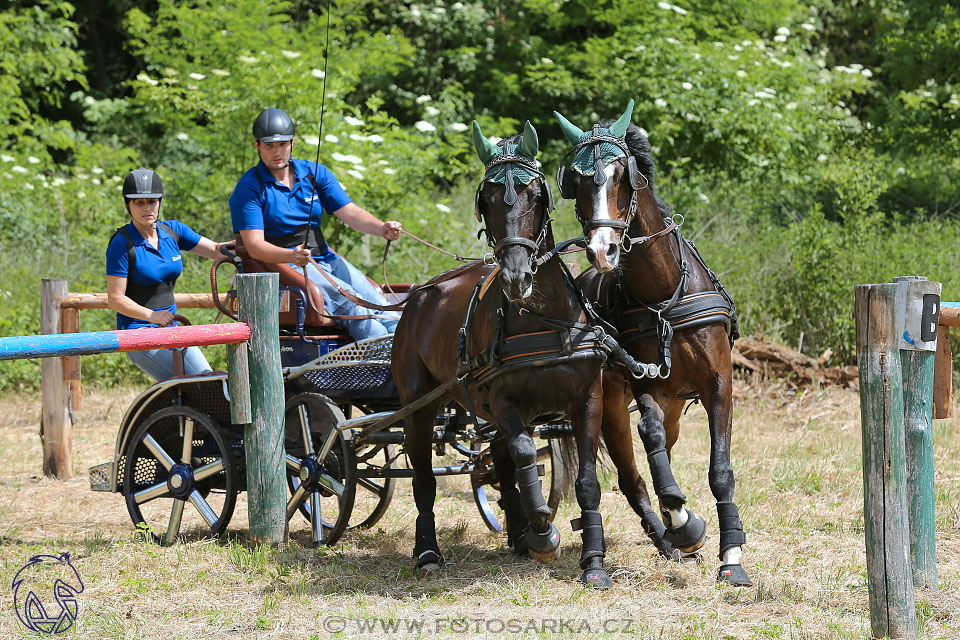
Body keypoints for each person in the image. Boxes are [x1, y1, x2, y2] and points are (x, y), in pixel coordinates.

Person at [228, 107, 402, 341]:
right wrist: (291, 256)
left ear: (292, 143)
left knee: (381, 303)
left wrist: (381, 228)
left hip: (325, 257)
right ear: (257, 145)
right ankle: (382, 364)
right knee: (354, 305)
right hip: (286, 264)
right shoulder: (249, 188)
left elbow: (350, 212)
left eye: (282, 145)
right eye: (269, 146)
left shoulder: (313, 172)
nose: (276, 152)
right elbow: (255, 246)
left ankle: (405, 361)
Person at [106, 168, 227, 381]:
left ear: (160, 202)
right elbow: (116, 299)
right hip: (139, 334)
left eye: (152, 201)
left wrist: (249, 246)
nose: (147, 208)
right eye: (139, 203)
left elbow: (217, 250)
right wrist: (152, 316)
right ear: (128, 205)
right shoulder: (122, 243)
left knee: (208, 380)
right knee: (196, 383)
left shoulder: (173, 231)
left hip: (172, 329)